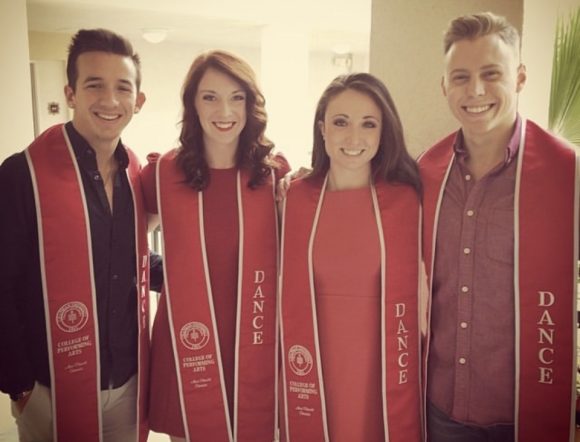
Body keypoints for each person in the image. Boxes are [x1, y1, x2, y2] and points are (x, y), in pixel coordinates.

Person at [419, 12, 579, 442]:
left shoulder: (568, 174)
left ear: (520, 77)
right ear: (444, 86)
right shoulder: (426, 173)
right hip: (440, 411)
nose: (475, 91)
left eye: (491, 74)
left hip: (525, 412)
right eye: (461, 77)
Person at [0, 29, 160, 442]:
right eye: (94, 85)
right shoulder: (21, 175)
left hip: (128, 384)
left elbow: (131, 260)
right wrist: (20, 386)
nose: (109, 100)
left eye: (122, 87)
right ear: (70, 93)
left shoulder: (137, 176)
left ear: (138, 100)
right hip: (50, 388)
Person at [142, 50, 289, 442]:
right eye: (210, 97)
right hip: (187, 341)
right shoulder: (162, 174)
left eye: (237, 97)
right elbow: (128, 246)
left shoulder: (275, 174)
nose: (224, 111)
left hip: (257, 340)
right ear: (192, 103)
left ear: (251, 104)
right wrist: (169, 276)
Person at [279, 72, 423, 442]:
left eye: (368, 124)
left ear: (383, 132)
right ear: (322, 129)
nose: (354, 138)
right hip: (311, 368)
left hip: (383, 374)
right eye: (341, 122)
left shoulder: (408, 201)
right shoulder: (293, 199)